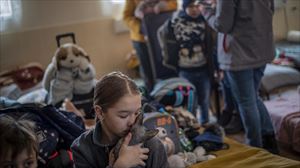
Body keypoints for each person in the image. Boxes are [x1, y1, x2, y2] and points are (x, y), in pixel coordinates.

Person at [200, 0, 279, 153]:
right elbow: (269, 12)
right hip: (262, 49)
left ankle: (255, 147)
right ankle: (269, 139)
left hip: (239, 55)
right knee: (252, 97)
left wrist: (206, 12)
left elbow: (222, 25)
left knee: (247, 102)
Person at [71, 71, 168, 168]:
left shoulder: (152, 145)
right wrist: (120, 166)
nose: (132, 122)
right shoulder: (82, 149)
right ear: (99, 112)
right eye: (123, 115)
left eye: (137, 113)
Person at [159, 0, 216, 125]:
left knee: (204, 100)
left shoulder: (205, 21)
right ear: (185, 7)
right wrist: (168, 57)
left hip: (203, 68)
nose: (195, 9)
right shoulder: (176, 22)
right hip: (185, 70)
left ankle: (205, 123)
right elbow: (162, 34)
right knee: (191, 101)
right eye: (191, 6)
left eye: (197, 6)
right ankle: (192, 124)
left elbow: (212, 43)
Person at [122, 0, 177, 92]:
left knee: (168, 66)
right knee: (147, 71)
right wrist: (141, 28)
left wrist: (162, 7)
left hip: (163, 35)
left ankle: (170, 94)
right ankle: (151, 96)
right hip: (141, 39)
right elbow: (127, 17)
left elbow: (174, 4)